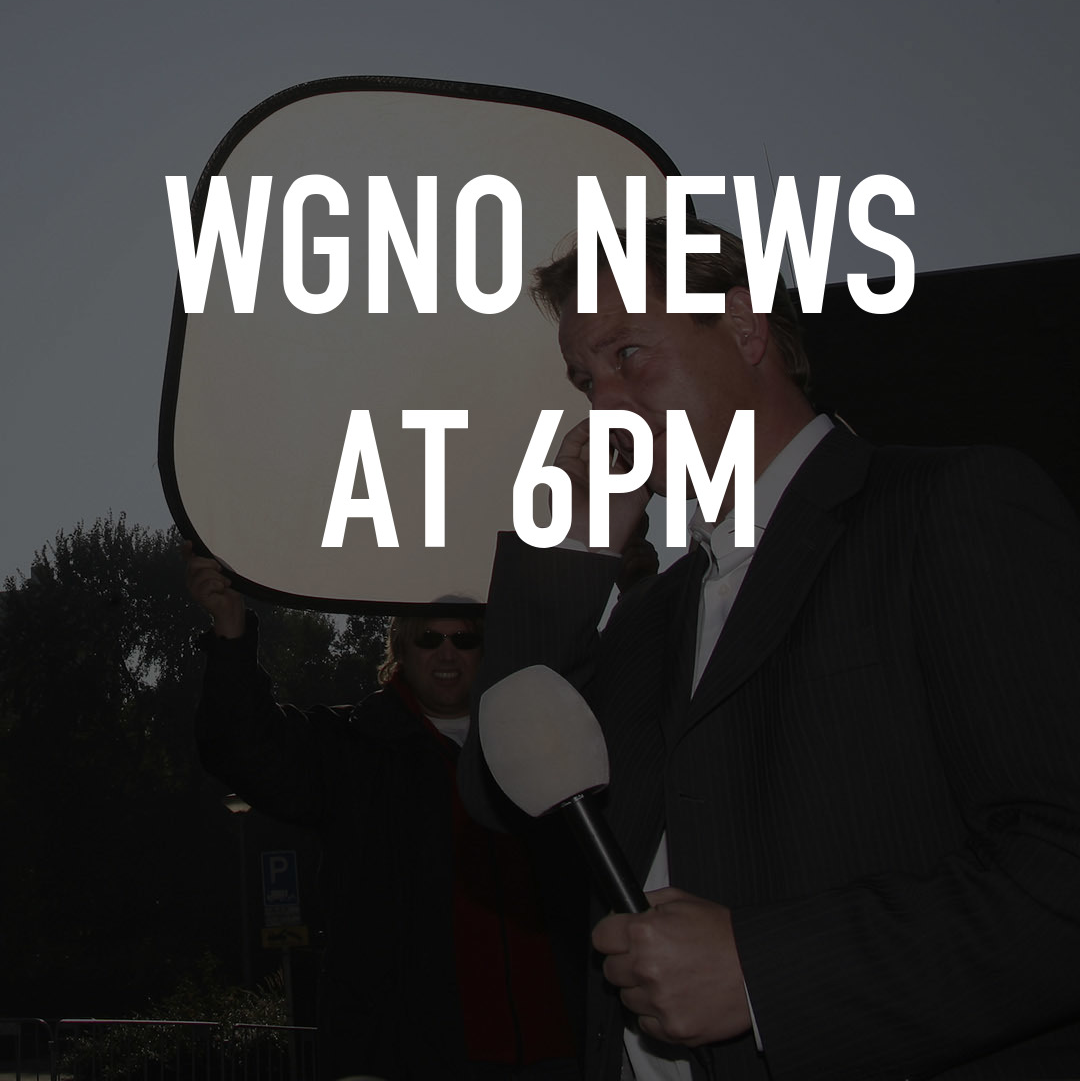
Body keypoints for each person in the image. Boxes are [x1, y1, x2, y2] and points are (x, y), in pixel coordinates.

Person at [459, 217, 1080, 1081]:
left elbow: (1059, 865)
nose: (603, 405)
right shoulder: (651, 616)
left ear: (745, 328)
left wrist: (763, 974)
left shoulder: (948, 507)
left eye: (628, 354)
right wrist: (570, 551)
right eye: (585, 379)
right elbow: (503, 795)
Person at [189, 548, 586, 1081]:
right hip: (407, 1055)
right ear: (401, 648)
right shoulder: (355, 748)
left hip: (555, 1049)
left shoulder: (543, 746)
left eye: (464, 639)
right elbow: (242, 748)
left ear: (487, 649)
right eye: (429, 638)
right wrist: (231, 630)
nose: (447, 653)